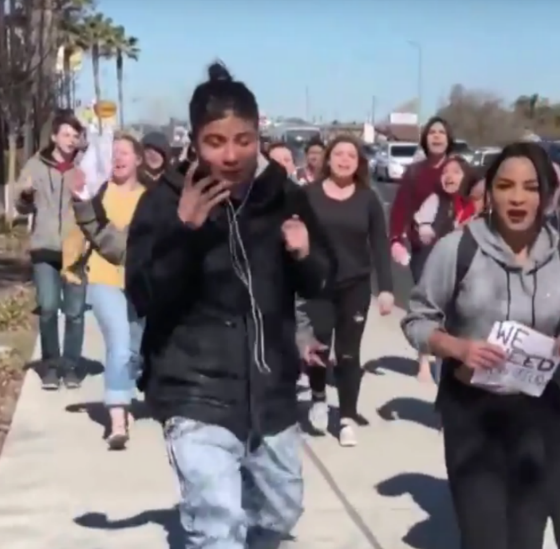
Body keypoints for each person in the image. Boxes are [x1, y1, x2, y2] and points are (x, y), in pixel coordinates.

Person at [125, 62, 333, 548]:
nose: (232, 154)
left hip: (270, 390)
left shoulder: (284, 195)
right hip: (193, 390)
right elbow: (141, 294)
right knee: (217, 526)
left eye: (243, 139)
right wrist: (184, 231)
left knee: (282, 512)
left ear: (259, 134)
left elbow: (322, 279)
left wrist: (304, 253)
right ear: (194, 142)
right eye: (216, 142)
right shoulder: (163, 202)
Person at [401, 141, 560, 549]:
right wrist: (457, 348)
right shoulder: (458, 249)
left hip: (539, 416)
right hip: (472, 414)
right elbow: (417, 321)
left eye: (530, 187)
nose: (517, 198)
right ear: (489, 193)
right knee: (484, 538)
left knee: (525, 538)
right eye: (505, 186)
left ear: (547, 195)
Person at [298, 135, 394, 445]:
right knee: (319, 346)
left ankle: (347, 417)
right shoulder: (309, 194)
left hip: (356, 284)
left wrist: (387, 289)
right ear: (327, 159)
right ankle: (317, 397)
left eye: (350, 155)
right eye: (338, 154)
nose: (344, 159)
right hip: (318, 284)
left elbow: (380, 244)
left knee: (349, 354)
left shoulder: (368, 199)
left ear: (359, 162)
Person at [62, 133, 148, 449]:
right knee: (120, 346)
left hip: (139, 284)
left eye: (125, 152)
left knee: (136, 352)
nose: (119, 157)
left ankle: (123, 393)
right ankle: (117, 420)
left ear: (138, 159)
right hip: (103, 278)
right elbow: (81, 226)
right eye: (114, 153)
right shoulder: (100, 191)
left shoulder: (150, 198)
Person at [15, 111, 88, 390]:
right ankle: (50, 365)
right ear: (55, 137)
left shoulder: (83, 168)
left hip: (76, 250)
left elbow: (95, 205)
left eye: (75, 136)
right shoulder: (36, 165)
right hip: (44, 247)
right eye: (66, 134)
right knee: (48, 308)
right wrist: (25, 195)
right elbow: (22, 206)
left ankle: (70, 366)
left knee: (75, 312)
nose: (71, 140)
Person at [389, 116, 455, 380]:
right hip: (422, 248)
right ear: (425, 139)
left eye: (441, 132)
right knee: (426, 305)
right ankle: (424, 358)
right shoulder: (415, 172)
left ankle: (447, 356)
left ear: (449, 138)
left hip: (454, 247)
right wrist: (396, 238)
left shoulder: (458, 170)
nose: (437, 136)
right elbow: (400, 209)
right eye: (432, 133)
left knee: (453, 306)